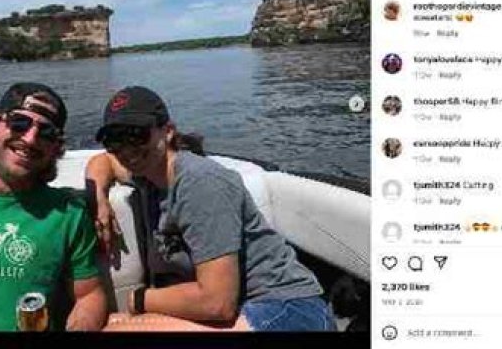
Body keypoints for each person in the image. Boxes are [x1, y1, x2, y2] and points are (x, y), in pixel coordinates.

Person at [86, 86, 335, 331]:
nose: (126, 149)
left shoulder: (200, 183)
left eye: (136, 135)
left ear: (168, 131)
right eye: (114, 140)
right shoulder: (147, 174)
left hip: (288, 309)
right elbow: (104, 161)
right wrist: (97, 197)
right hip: (241, 307)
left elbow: (217, 303)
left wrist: (139, 299)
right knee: (113, 322)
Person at [0, 82, 107, 331]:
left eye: (46, 132)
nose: (30, 138)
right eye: (19, 123)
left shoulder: (67, 213)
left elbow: (89, 296)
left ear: (55, 148)